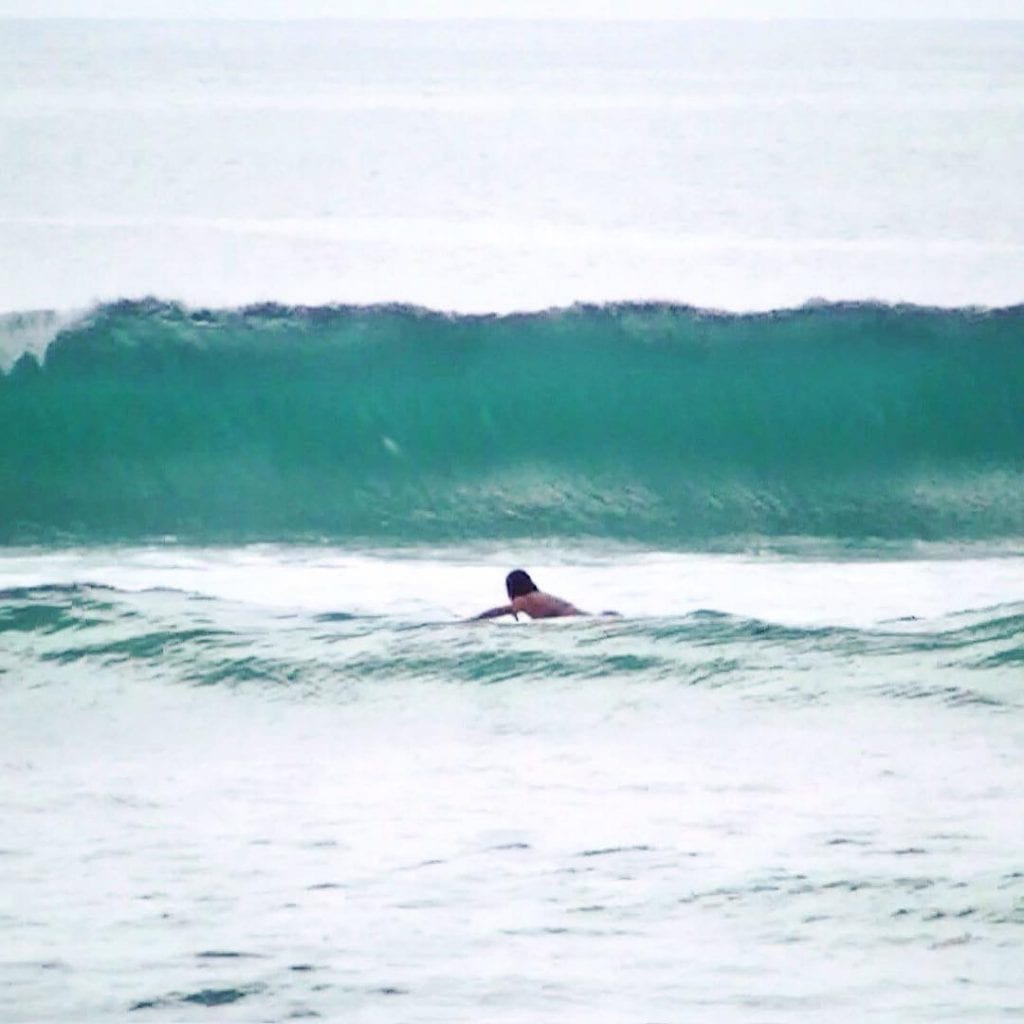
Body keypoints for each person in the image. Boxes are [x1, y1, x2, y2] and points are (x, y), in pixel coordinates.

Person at [471, 569, 585, 621]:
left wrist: (475, 620)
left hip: (573, 618)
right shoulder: (538, 596)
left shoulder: (523, 600)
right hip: (579, 615)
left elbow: (502, 611)